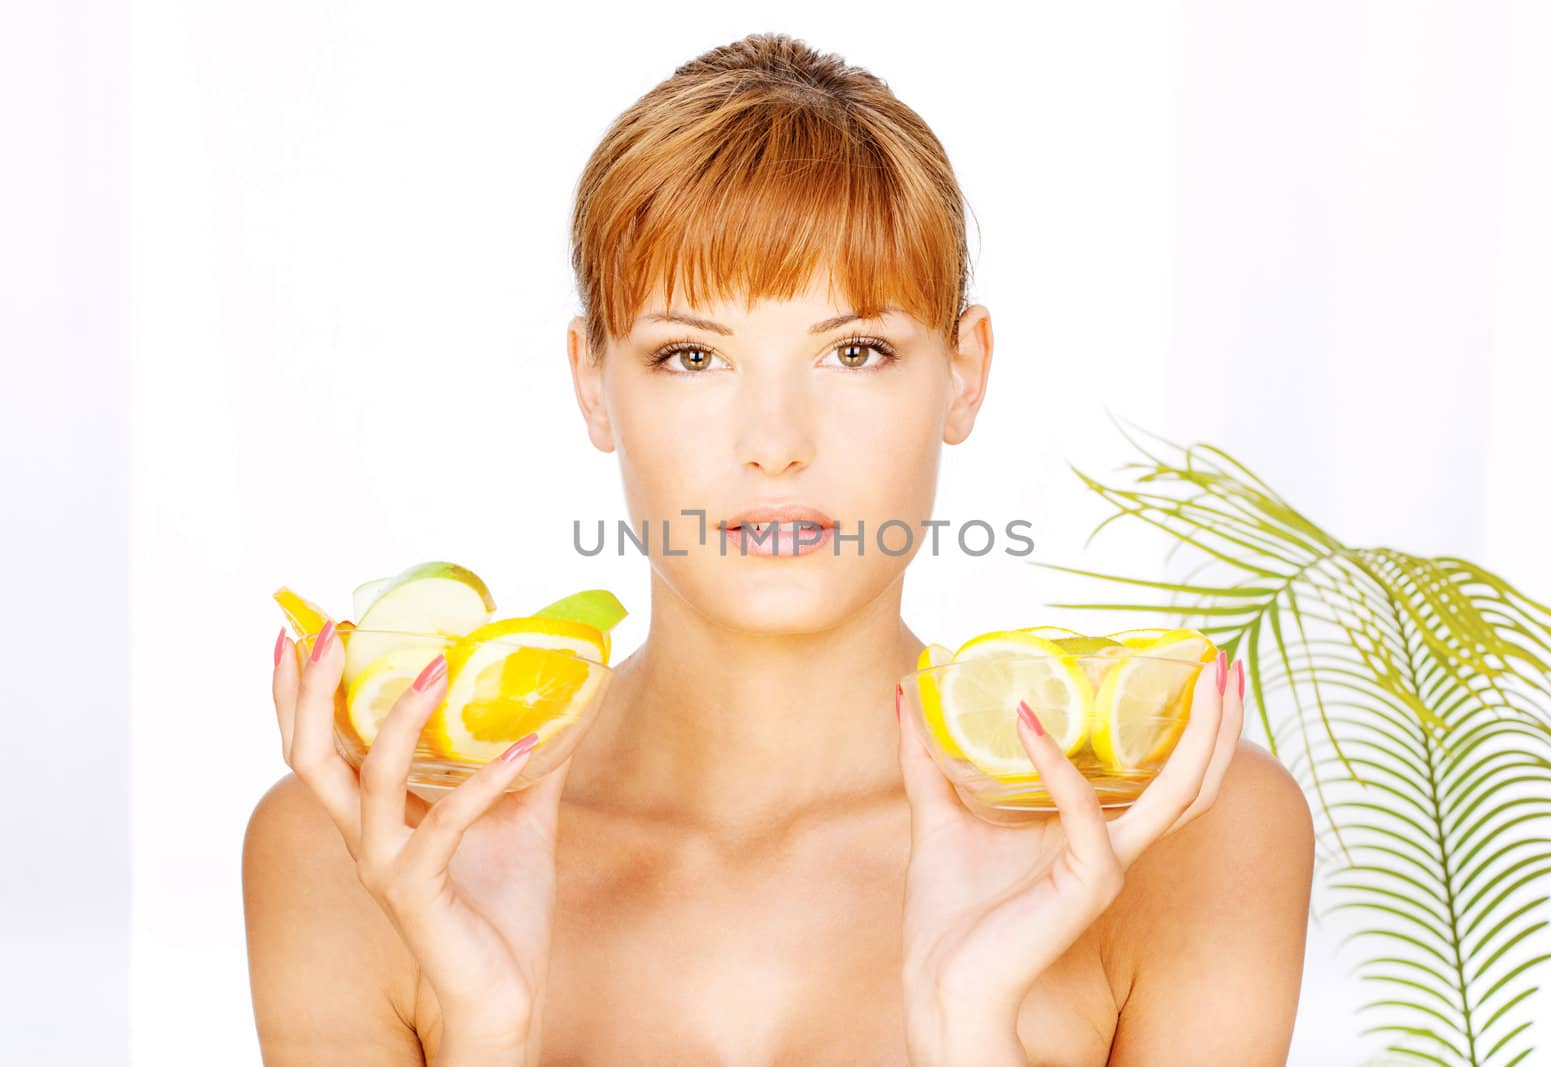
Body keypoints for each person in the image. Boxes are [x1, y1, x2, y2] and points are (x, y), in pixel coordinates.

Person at [243, 31, 1314, 1066]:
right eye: (690, 355)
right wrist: (486, 1028)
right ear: (590, 380)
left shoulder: (1187, 838)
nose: (774, 445)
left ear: (965, 371)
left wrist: (968, 1027)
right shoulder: (359, 848)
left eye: (855, 349)